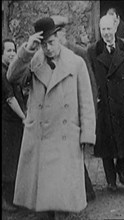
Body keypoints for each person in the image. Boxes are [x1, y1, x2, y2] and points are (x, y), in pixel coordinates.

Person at [7, 17, 96, 219]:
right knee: (43, 197)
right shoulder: (34, 60)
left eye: (51, 43)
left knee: (62, 195)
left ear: (59, 38)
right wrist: (27, 49)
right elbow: (12, 77)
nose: (48, 48)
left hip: (66, 136)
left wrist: (87, 135)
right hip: (39, 135)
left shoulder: (76, 63)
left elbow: (86, 102)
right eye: (43, 44)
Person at [87, 15, 124, 192]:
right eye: (102, 29)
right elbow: (89, 76)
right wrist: (93, 97)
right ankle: (111, 180)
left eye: (108, 29)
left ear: (115, 28)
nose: (106, 33)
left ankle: (121, 168)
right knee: (106, 146)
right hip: (104, 103)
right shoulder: (93, 50)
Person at [51, 14, 97, 201]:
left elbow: (90, 87)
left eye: (57, 34)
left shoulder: (78, 53)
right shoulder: (48, 54)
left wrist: (89, 118)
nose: (53, 40)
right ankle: (82, 191)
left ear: (63, 33)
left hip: (74, 114)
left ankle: (84, 191)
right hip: (56, 116)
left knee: (73, 155)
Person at [2, 39, 26, 211]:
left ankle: (13, 198)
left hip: (14, 123)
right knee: (9, 161)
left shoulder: (11, 70)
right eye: (8, 50)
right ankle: (6, 200)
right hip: (7, 123)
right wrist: (24, 117)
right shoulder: (3, 73)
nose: (11, 53)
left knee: (14, 160)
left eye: (13, 50)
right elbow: (10, 99)